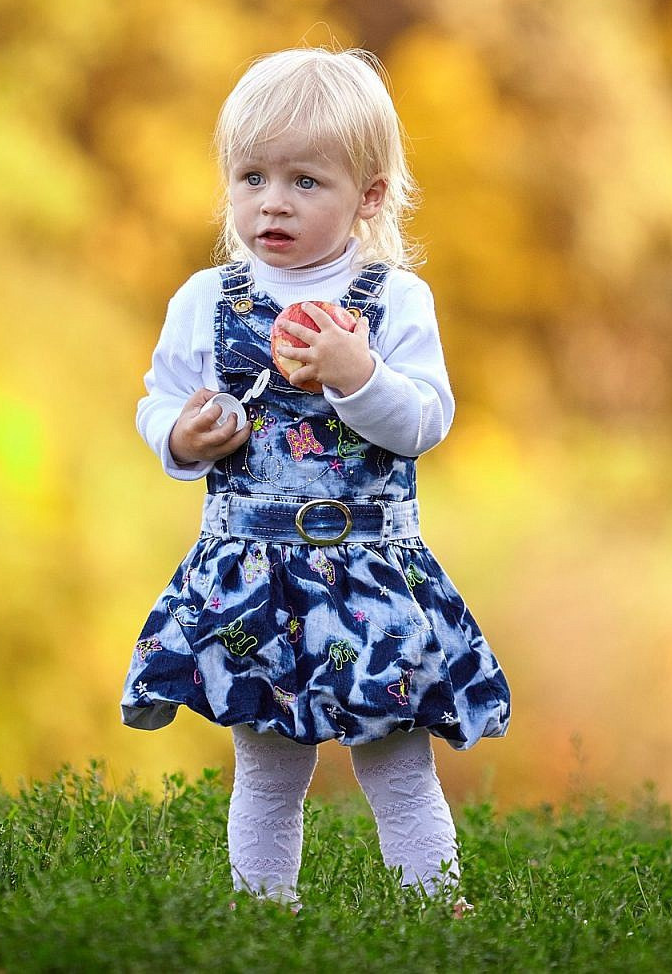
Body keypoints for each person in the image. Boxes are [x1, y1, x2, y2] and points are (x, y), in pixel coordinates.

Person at [120, 45, 511, 915]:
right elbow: (158, 400)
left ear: (368, 196)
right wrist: (182, 435)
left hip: (371, 571)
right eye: (252, 177)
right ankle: (266, 918)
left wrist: (356, 374)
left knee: (398, 766)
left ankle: (434, 910)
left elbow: (425, 421)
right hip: (252, 572)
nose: (273, 202)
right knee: (267, 773)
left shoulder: (393, 301)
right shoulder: (206, 300)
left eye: (305, 181)